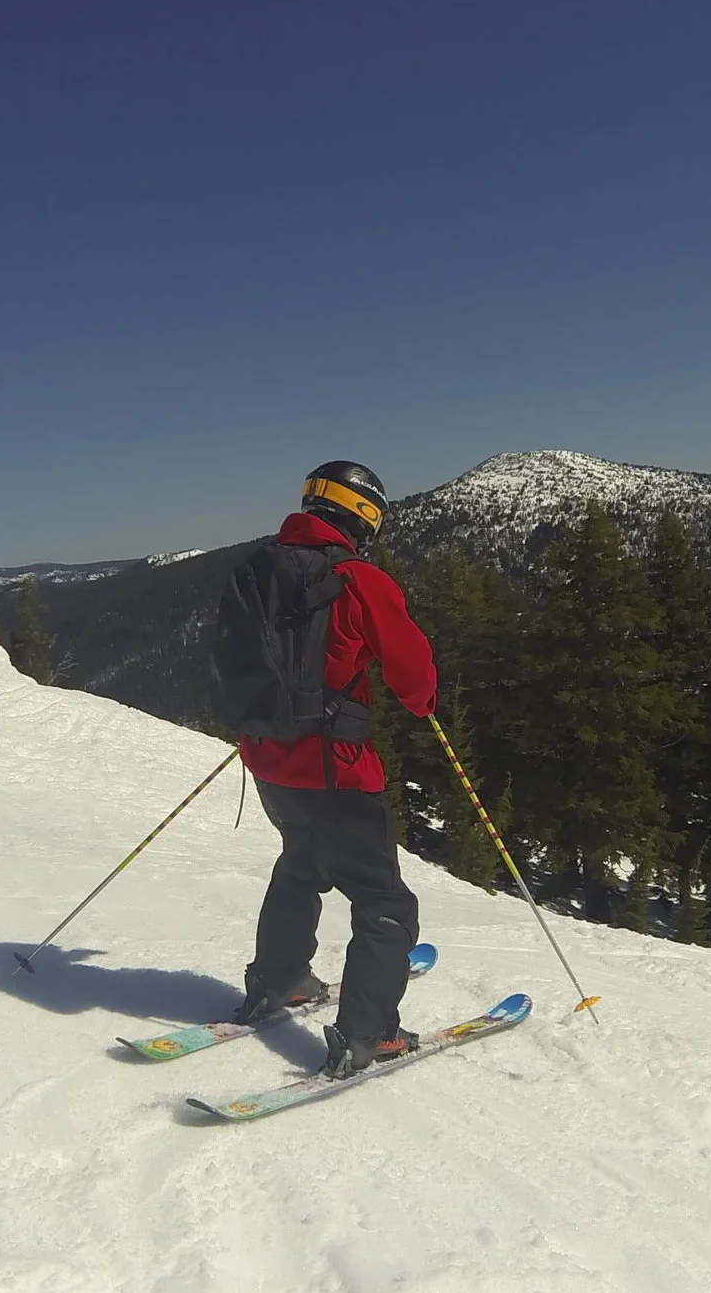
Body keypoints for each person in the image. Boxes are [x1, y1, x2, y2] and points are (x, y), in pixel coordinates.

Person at [225, 461, 439, 1077]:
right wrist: (424, 702)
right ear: (365, 515)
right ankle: (367, 1033)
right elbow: (412, 672)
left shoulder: (257, 569)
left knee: (301, 863)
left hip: (267, 756)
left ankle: (279, 979)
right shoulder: (358, 579)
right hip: (335, 767)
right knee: (383, 899)